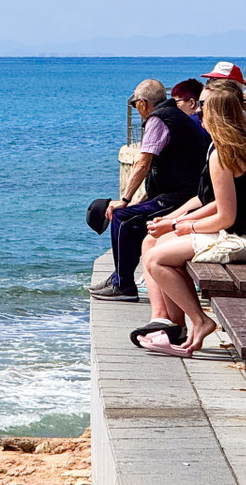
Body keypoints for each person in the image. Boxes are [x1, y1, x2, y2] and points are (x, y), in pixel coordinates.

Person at [138, 83, 246, 355]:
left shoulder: (221, 154)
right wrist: (175, 221)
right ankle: (174, 325)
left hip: (235, 237)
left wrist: (185, 226)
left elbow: (226, 215)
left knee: (156, 258)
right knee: (157, 242)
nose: (198, 112)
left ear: (214, 114)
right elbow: (215, 201)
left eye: (203, 108)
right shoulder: (231, 147)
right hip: (236, 231)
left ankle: (198, 321)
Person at [91, 79, 210, 301]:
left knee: (122, 219)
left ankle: (124, 286)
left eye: (135, 103)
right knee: (133, 216)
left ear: (143, 103)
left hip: (180, 197)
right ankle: (119, 276)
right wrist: (140, 200)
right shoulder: (174, 115)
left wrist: (125, 199)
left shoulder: (158, 120)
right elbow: (158, 171)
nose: (136, 108)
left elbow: (143, 163)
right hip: (183, 192)